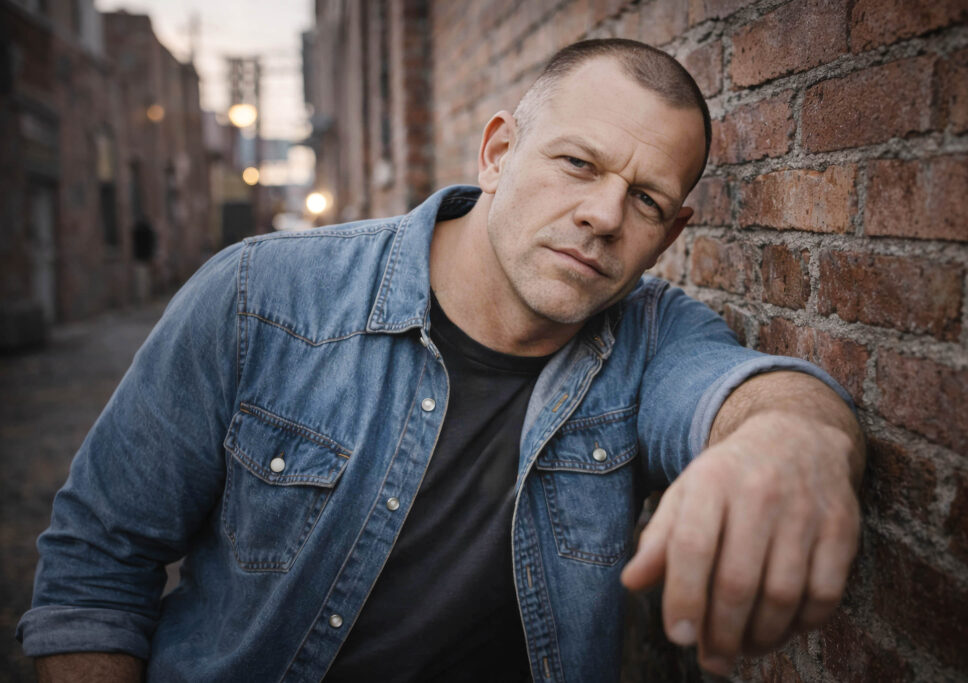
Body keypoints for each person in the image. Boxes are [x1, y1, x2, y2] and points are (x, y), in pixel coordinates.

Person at [18, 39, 864, 682]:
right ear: (498, 152)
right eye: (578, 163)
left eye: (646, 200)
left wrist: (795, 444)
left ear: (671, 234)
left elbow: (750, 397)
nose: (604, 215)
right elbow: (96, 566)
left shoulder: (650, 339)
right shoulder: (260, 295)